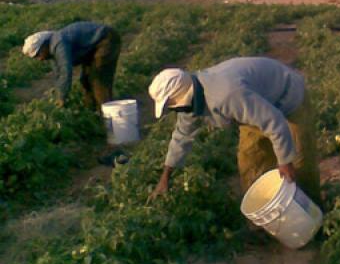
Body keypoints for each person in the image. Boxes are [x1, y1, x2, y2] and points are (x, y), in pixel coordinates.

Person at [147, 57, 320, 204]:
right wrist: (165, 177)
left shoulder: (226, 95)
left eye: (170, 104)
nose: (172, 109)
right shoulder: (189, 103)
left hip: (287, 100)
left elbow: (275, 121)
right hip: (254, 109)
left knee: (298, 162)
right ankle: (263, 221)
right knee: (250, 162)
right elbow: (182, 137)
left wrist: (285, 161)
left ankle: (311, 214)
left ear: (180, 96)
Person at [22, 21, 121, 111]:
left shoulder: (59, 43)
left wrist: (62, 98)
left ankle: (108, 116)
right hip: (92, 49)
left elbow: (66, 71)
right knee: (85, 80)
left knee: (97, 79)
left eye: (38, 54)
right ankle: (92, 111)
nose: (40, 59)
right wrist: (58, 96)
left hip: (106, 39)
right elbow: (59, 76)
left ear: (43, 45)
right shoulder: (51, 52)